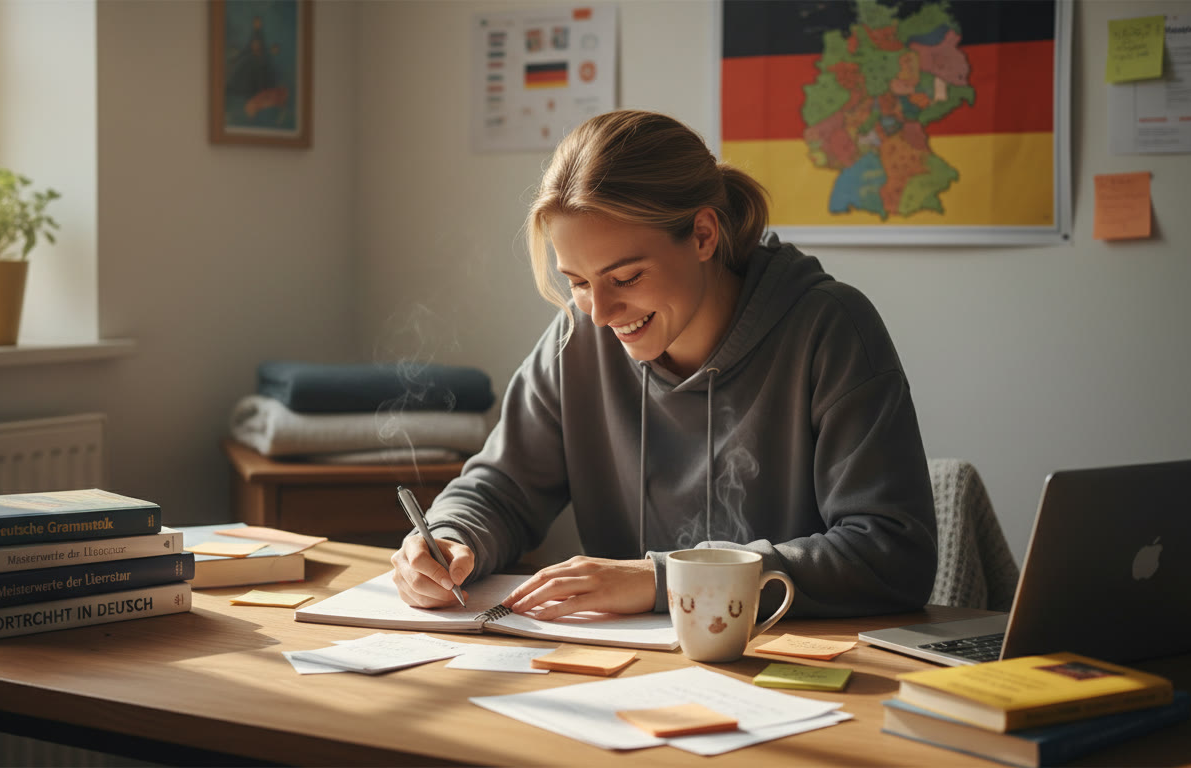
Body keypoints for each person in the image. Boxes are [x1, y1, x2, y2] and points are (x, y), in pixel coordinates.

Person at [391, 109, 937, 620]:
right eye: (578, 283)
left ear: (703, 234)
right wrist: (450, 535)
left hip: (789, 666)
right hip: (627, 669)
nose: (601, 313)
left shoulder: (830, 328)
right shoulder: (580, 336)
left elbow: (891, 553)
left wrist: (663, 581)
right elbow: (501, 488)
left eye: (626, 278)